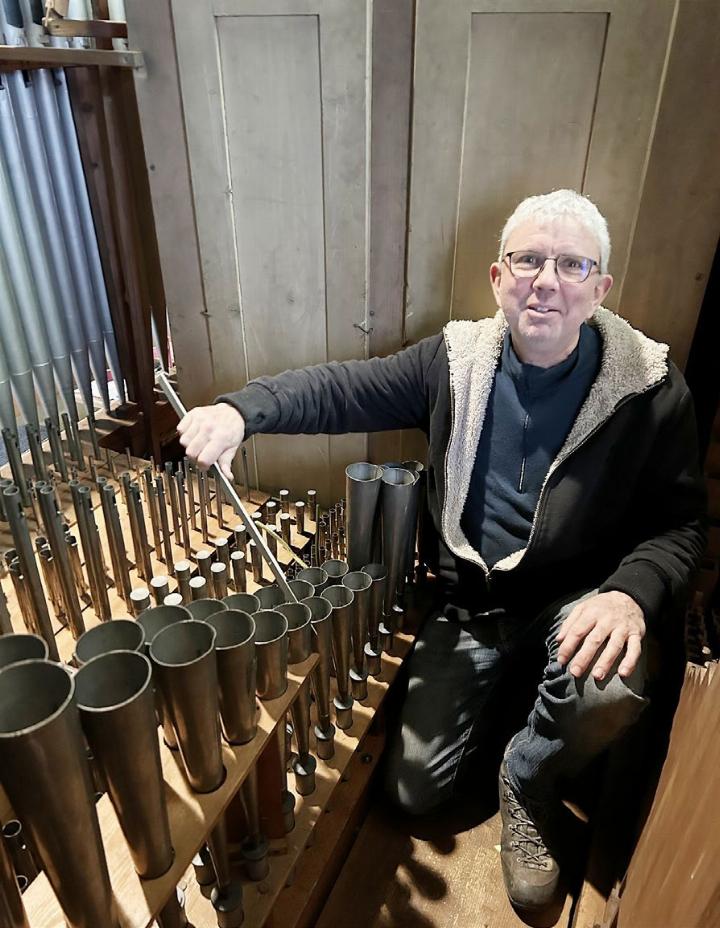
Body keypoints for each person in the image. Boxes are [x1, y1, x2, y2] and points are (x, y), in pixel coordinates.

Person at [178, 189, 706, 913]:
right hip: (469, 612)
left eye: (572, 265)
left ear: (599, 288)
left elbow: (680, 527)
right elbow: (342, 391)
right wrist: (243, 410)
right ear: (498, 278)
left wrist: (629, 592)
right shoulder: (454, 362)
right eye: (527, 260)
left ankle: (531, 774)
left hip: (572, 608)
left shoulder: (651, 389)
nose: (546, 281)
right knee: (412, 795)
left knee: (608, 685)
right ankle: (523, 708)